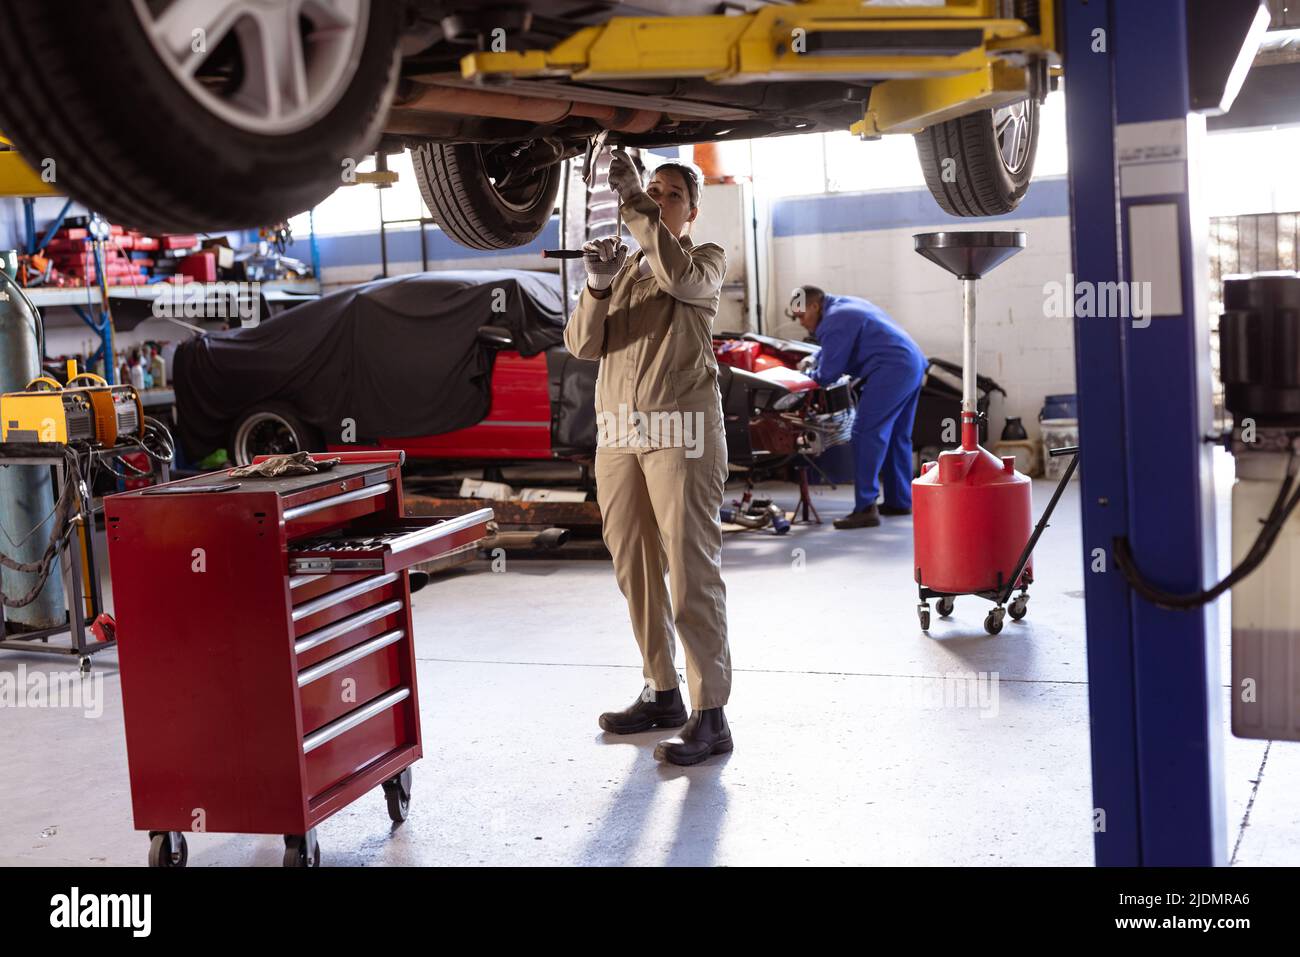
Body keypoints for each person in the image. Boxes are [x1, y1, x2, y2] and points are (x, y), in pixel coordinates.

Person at [563, 151, 734, 766]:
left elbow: (681, 281)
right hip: (619, 435)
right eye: (651, 192)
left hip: (680, 431)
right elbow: (583, 344)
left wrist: (634, 201)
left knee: (690, 568)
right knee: (633, 563)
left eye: (669, 194)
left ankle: (711, 714)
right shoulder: (631, 268)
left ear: (691, 210)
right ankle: (663, 692)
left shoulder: (703, 261)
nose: (657, 200)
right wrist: (597, 285)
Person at [791, 286, 926, 529]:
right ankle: (899, 500)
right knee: (897, 436)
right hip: (912, 363)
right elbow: (837, 345)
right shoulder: (844, 306)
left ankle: (865, 508)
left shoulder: (833, 320)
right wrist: (816, 357)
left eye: (801, 316)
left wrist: (805, 375)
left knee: (865, 434)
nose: (801, 322)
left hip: (891, 369)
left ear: (813, 306)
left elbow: (827, 375)